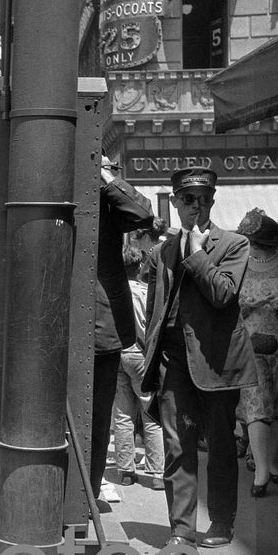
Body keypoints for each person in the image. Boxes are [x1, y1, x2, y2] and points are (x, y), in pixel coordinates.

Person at [141, 167, 258, 555]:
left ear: (212, 201)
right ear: (174, 203)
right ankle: (181, 533)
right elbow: (156, 302)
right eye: (187, 199)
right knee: (178, 446)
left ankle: (222, 522)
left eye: (203, 199)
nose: (196, 206)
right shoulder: (163, 250)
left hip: (217, 362)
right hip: (174, 360)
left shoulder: (234, 244)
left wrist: (195, 254)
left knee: (221, 446)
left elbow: (223, 294)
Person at [89, 155, 154, 501]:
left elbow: (143, 213)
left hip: (103, 327)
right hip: (70, 323)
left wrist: (104, 177)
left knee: (100, 421)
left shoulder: (108, 198)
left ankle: (87, 494)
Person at [234, 208, 278, 497]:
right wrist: (244, 304)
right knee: (255, 408)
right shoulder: (240, 265)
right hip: (249, 347)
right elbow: (225, 301)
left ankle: (272, 463)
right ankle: (262, 472)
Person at [113, 245, 164, 490]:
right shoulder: (145, 293)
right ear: (140, 266)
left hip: (118, 353)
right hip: (141, 354)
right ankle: (156, 472)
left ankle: (125, 470)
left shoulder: (113, 294)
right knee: (150, 414)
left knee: (123, 415)